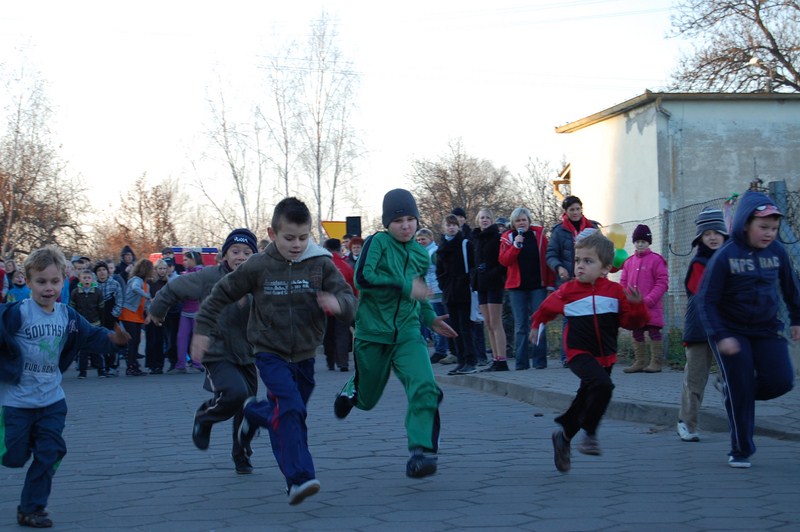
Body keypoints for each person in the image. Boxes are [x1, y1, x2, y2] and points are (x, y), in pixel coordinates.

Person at [192, 198, 357, 505]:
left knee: (288, 410)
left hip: (306, 354)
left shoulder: (321, 263)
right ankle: (298, 479)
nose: (297, 245)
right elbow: (219, 295)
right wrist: (202, 331)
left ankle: (254, 414)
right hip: (270, 352)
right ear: (272, 233)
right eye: (289, 238)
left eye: (303, 237)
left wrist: (339, 306)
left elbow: (348, 298)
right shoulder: (258, 266)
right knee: (292, 410)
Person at [0, 245, 130, 528]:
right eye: (41, 281)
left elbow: (91, 335)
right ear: (28, 280)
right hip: (17, 401)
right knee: (13, 457)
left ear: (64, 279)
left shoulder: (67, 316)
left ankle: (31, 508)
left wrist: (113, 341)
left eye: (55, 281)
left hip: (51, 400)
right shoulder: (17, 314)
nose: (49, 288)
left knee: (50, 452)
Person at [334, 189, 457, 479]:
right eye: (398, 220)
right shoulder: (377, 242)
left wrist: (430, 318)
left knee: (425, 387)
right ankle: (352, 390)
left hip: (408, 334)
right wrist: (404, 286)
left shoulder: (419, 253)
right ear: (387, 223)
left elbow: (417, 295)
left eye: (410, 219)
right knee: (367, 400)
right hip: (372, 334)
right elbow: (364, 278)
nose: (405, 225)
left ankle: (421, 452)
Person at [530, 230, 648, 473]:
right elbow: (547, 307)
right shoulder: (568, 290)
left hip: (606, 354)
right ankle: (591, 434)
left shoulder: (614, 292)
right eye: (577, 260)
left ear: (605, 268)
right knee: (603, 386)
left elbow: (631, 322)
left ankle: (563, 436)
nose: (580, 266)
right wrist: (536, 324)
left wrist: (637, 306)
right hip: (578, 352)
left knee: (587, 396)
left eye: (588, 261)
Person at [698, 191, 800, 468]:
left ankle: (733, 390)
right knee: (740, 382)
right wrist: (722, 335)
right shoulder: (725, 256)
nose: (769, 234)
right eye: (763, 227)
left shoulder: (777, 252)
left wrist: (796, 319)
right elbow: (706, 301)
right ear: (745, 224)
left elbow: (791, 288)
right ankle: (741, 449)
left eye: (774, 229)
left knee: (782, 380)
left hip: (766, 328)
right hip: (730, 330)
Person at [151, 228, 259, 474]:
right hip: (216, 350)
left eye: (247, 252)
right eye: (235, 251)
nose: (241, 257)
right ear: (225, 255)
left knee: (248, 407)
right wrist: (158, 309)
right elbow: (174, 288)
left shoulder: (259, 280)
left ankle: (241, 454)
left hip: (247, 353)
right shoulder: (209, 277)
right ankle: (204, 417)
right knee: (235, 393)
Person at [676, 208, 728, 442]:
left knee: (733, 374)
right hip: (699, 330)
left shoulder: (731, 260)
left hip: (725, 330)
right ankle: (686, 423)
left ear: (725, 235)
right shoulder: (699, 263)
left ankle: (724, 384)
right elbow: (703, 296)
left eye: (717, 232)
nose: (713, 237)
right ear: (700, 238)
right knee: (695, 380)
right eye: (707, 233)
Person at [546, 196, 600, 366]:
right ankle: (567, 356)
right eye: (572, 210)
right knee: (570, 318)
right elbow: (551, 254)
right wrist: (559, 267)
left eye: (578, 209)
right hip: (568, 280)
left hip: (591, 279)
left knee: (592, 317)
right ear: (566, 212)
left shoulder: (593, 227)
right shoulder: (558, 231)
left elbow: (604, 250)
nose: (575, 212)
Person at [499, 207, 554, 370]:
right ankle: (521, 363)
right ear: (513, 223)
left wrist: (550, 283)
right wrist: (516, 246)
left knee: (538, 322)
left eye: (524, 220)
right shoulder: (508, 237)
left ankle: (539, 361)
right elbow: (504, 261)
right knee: (521, 325)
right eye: (518, 220)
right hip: (517, 288)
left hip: (538, 286)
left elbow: (547, 259)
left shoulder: (539, 236)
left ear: (529, 221)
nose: (521, 223)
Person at [620, 224, 669, 373]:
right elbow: (623, 283)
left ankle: (656, 362)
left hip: (651, 306)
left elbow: (662, 282)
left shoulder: (656, 260)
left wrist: (649, 300)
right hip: (634, 307)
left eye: (643, 241)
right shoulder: (629, 262)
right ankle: (640, 361)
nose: (640, 244)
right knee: (637, 332)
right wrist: (626, 299)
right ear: (634, 243)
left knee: (654, 332)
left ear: (649, 243)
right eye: (637, 241)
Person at [437, 213, 478, 375]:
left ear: (458, 227)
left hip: (464, 291)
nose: (451, 227)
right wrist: (444, 285)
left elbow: (473, 266)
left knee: (466, 328)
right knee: (455, 329)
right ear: (444, 228)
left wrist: (466, 281)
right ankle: (460, 360)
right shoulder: (442, 248)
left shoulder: (465, 244)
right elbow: (440, 271)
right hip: (449, 293)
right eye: (449, 225)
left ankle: (471, 360)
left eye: (454, 224)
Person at [472, 208, 508, 372]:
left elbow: (503, 263)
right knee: (487, 323)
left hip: (494, 283)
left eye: (487, 217)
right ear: (478, 221)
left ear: (492, 220)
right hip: (481, 284)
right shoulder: (476, 239)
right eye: (482, 218)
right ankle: (495, 358)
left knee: (495, 322)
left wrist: (491, 273)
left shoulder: (497, 237)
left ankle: (502, 359)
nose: (484, 220)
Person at [415, 228, 449, 363]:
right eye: (418, 240)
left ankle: (442, 350)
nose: (420, 242)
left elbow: (439, 270)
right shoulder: (422, 252)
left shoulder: (433, 252)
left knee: (438, 320)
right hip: (430, 291)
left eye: (423, 239)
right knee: (434, 321)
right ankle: (440, 349)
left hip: (437, 290)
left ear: (430, 239)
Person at [322, 238, 355, 372]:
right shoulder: (345, 265)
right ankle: (343, 362)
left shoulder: (322, 265)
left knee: (328, 334)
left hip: (325, 306)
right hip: (343, 305)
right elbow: (353, 286)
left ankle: (330, 361)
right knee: (342, 334)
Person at [118, 258, 153, 377]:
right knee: (133, 341)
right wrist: (148, 296)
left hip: (137, 314)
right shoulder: (136, 280)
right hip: (128, 312)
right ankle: (131, 367)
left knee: (136, 340)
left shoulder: (146, 285)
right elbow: (135, 289)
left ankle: (133, 364)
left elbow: (146, 304)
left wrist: (148, 315)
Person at [172, 251, 205, 373]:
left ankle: (197, 363)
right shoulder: (185, 273)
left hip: (197, 310)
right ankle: (181, 364)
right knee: (181, 337)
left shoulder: (200, 272)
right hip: (185, 311)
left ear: (193, 259)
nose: (184, 262)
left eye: (186, 260)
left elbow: (197, 289)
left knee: (196, 338)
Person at [70, 270, 106, 379]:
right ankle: (82, 371)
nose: (86, 280)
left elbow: (101, 309)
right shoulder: (75, 292)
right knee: (83, 350)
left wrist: (102, 323)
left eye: (88, 278)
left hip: (95, 323)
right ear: (80, 279)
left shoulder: (97, 292)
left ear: (92, 280)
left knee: (96, 348)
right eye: (84, 278)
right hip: (81, 324)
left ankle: (101, 370)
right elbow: (72, 308)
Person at [93, 261, 124, 377]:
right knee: (102, 341)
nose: (102, 272)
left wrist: (115, 314)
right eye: (99, 270)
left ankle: (114, 366)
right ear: (96, 273)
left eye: (104, 270)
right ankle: (104, 366)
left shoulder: (115, 284)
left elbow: (120, 300)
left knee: (114, 341)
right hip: (99, 318)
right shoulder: (94, 285)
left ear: (108, 271)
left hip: (112, 316)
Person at [144, 259, 170, 374]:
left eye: (164, 268)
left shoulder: (168, 283)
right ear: (155, 270)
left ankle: (159, 365)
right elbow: (146, 299)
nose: (162, 271)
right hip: (150, 314)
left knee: (160, 341)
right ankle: (151, 364)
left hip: (163, 316)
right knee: (151, 340)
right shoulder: (150, 282)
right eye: (160, 268)